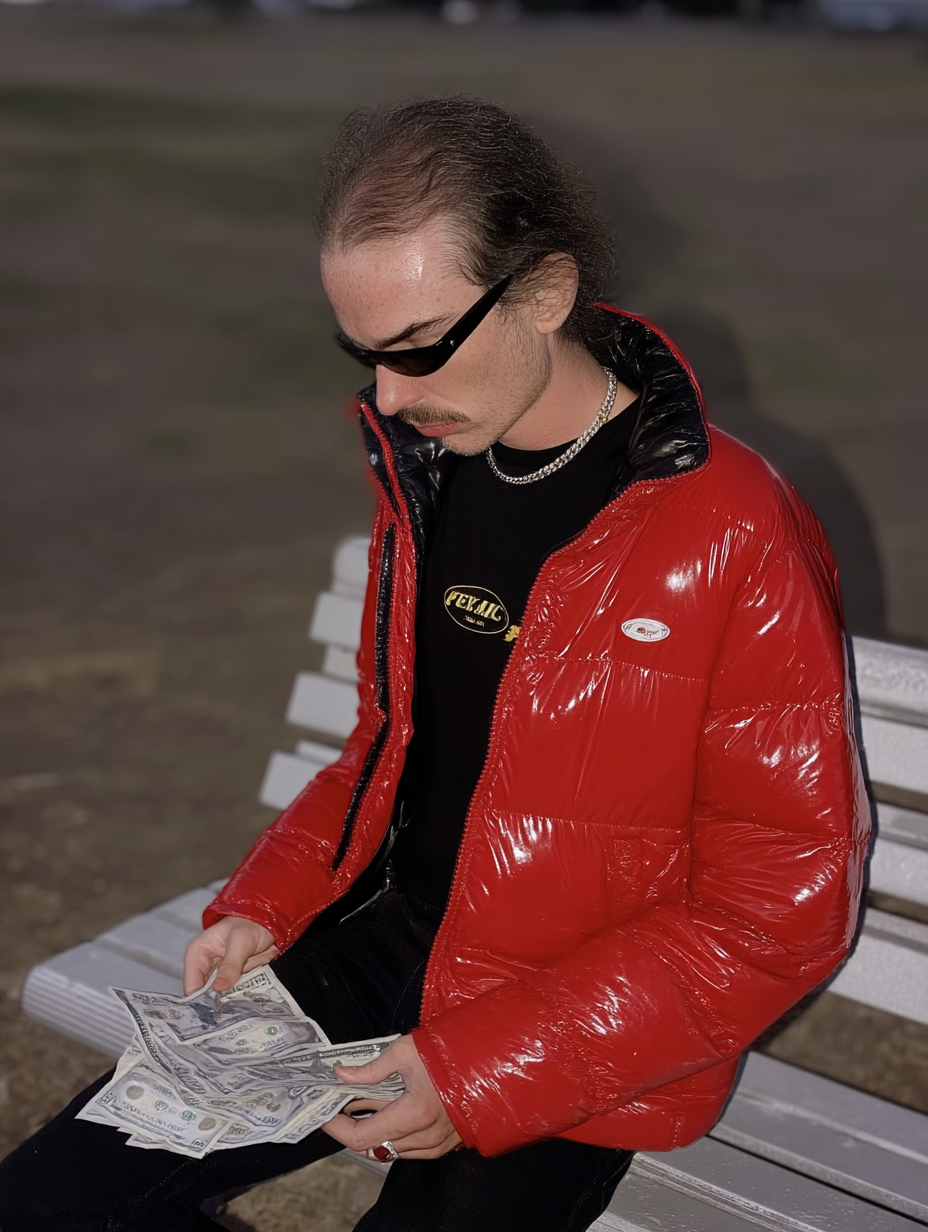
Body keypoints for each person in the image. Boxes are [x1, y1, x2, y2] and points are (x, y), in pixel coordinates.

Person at [0, 96, 869, 1232]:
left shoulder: (732, 526)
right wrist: (273, 899)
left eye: (415, 349)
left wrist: (480, 1071)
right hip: (393, 946)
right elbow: (388, 742)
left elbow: (779, 907)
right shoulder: (434, 469)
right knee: (44, 1205)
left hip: (584, 1017)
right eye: (364, 354)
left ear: (545, 292)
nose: (388, 396)